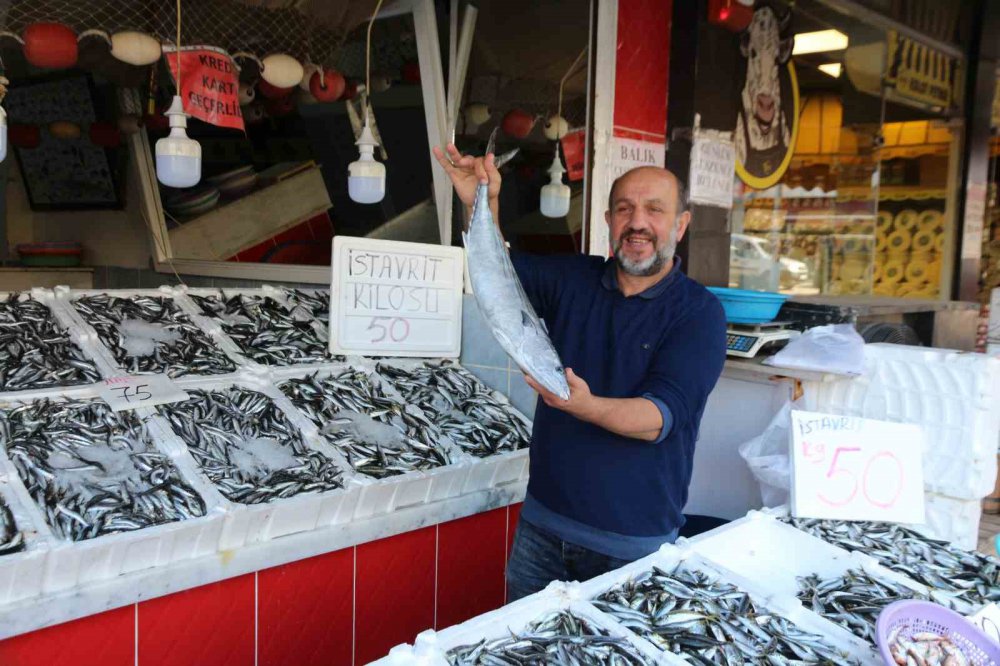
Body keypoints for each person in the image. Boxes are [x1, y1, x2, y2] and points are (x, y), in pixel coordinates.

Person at [432, 143, 727, 601]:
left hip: (632, 546)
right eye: (625, 209)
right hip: (542, 528)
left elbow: (659, 417)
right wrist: (480, 201)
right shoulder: (574, 278)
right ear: (608, 220)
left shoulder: (699, 313)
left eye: (655, 209)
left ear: (681, 224)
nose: (638, 223)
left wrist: (584, 407)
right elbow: (494, 273)